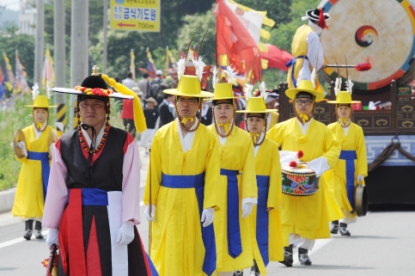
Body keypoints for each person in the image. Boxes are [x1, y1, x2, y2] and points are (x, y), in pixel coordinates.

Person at [42, 67, 152, 275]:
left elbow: (130, 183)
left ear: (106, 109)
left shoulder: (123, 141)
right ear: (78, 108)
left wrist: (128, 222)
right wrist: (53, 228)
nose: (90, 109)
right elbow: (57, 189)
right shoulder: (64, 143)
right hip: (74, 219)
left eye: (96, 105)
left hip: (114, 217)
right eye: (85, 105)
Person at [143, 74, 220, 276]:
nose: (186, 104)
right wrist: (150, 201)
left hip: (195, 199)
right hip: (167, 200)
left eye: (191, 100)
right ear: (175, 102)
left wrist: (210, 205)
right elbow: (154, 170)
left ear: (199, 104)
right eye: (181, 99)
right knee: (166, 246)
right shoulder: (162, 134)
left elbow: (213, 173)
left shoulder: (209, 136)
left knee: (194, 247)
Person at [267, 79, 342, 266]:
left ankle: (303, 251)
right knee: (287, 213)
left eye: (307, 102)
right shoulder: (283, 127)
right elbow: (268, 145)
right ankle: (286, 249)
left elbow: (334, 148)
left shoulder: (322, 130)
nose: (303, 105)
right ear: (294, 104)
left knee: (310, 214)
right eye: (300, 102)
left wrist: (317, 165)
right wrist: (285, 160)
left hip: (311, 178)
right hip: (289, 178)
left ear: (313, 105)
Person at [207, 81, 261, 275]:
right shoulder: (204, 134)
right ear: (212, 110)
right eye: (219, 107)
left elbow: (249, 169)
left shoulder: (244, 137)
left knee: (230, 234)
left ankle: (231, 270)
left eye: (227, 107)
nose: (223, 111)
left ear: (234, 110)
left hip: (232, 191)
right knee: (209, 235)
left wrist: (248, 197)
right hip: (208, 191)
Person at [236, 94, 284, 275]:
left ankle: (259, 265)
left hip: (263, 193)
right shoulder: (240, 142)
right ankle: (239, 265)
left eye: (258, 120)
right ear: (245, 122)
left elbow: (275, 174)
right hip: (242, 192)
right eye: (251, 120)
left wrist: (273, 200)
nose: (254, 124)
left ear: (264, 122)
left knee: (261, 232)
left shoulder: (271, 146)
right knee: (239, 229)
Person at [12, 93, 57, 240]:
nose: (40, 115)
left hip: (44, 167)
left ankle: (38, 229)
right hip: (28, 168)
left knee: (42, 197)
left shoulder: (52, 132)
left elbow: (55, 152)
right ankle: (28, 229)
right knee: (29, 197)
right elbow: (19, 152)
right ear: (33, 113)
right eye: (37, 112)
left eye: (43, 112)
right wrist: (19, 150)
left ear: (47, 114)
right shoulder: (25, 132)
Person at [326, 90, 368, 236]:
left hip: (351, 165)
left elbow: (361, 151)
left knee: (350, 193)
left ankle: (344, 224)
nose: (343, 111)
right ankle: (334, 221)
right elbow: (325, 147)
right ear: (336, 110)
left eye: (346, 108)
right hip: (335, 165)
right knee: (335, 193)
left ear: (350, 110)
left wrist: (362, 172)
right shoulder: (330, 128)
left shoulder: (357, 130)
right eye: (340, 108)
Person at [286, 7, 330, 92]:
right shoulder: (312, 34)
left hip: (295, 66)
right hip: (304, 67)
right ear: (318, 21)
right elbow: (314, 55)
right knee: (305, 93)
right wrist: (320, 65)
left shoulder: (301, 29)